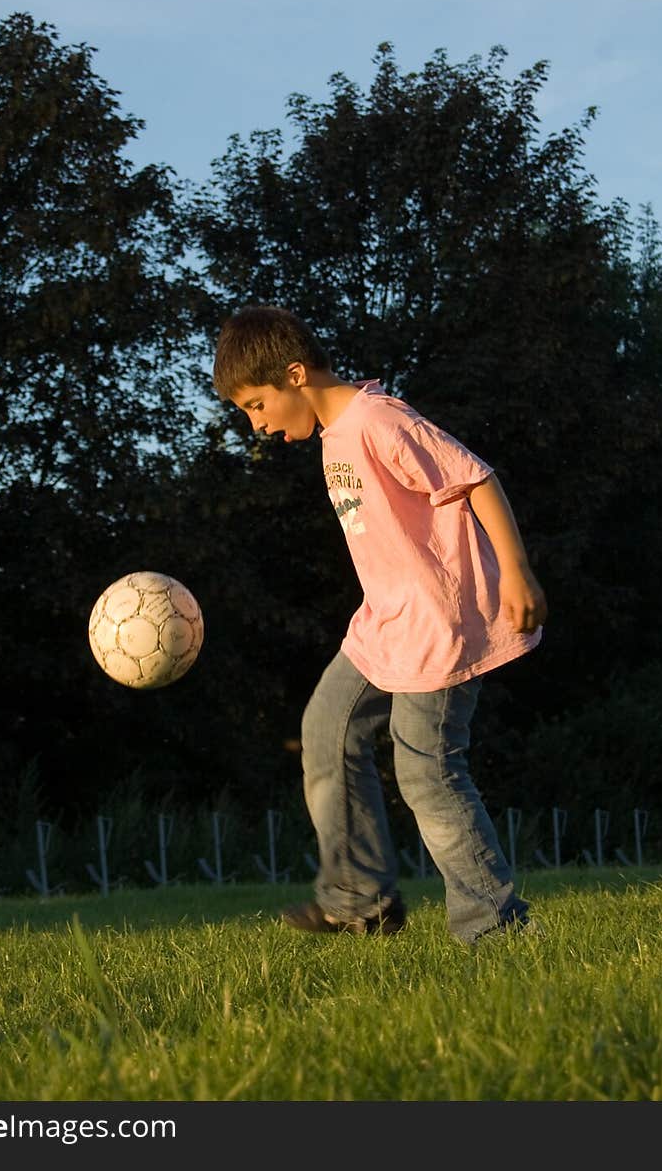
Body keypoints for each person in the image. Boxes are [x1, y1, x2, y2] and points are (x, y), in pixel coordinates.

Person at [213, 305, 548, 944]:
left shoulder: (378, 420)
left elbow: (474, 477)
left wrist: (517, 570)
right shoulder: (335, 435)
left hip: (436, 626)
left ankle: (493, 927)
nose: (256, 424)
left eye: (257, 405)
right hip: (384, 625)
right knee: (325, 731)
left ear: (294, 374)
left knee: (427, 769)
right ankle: (359, 902)